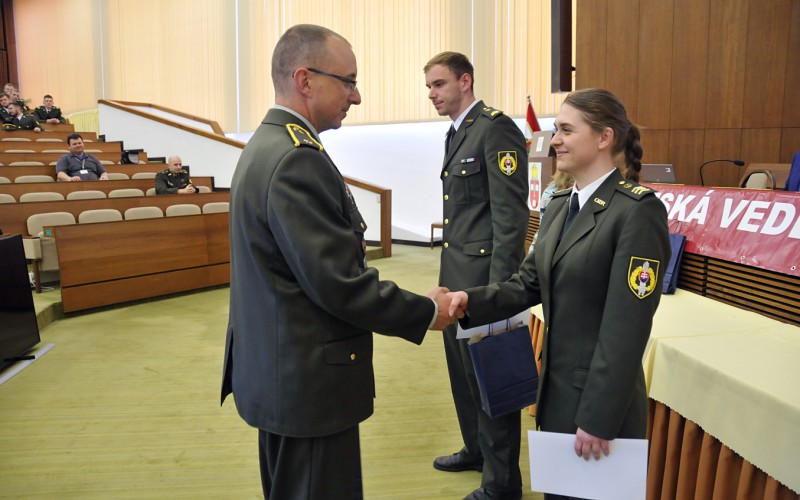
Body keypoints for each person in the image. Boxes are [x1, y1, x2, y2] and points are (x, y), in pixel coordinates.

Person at [220, 24, 457, 500]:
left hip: (283, 370)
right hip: (308, 383)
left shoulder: (269, 145)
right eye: (348, 81)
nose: (358, 96)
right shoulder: (295, 159)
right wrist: (426, 312)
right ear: (305, 80)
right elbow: (338, 284)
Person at [448, 88, 671, 500]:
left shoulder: (636, 212)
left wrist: (600, 417)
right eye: (555, 130)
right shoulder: (560, 206)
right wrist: (468, 301)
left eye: (566, 130)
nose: (554, 140)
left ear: (604, 138)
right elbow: (526, 284)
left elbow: (626, 329)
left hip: (597, 408)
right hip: (555, 395)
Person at [424, 51, 529, 500]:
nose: (432, 94)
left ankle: (501, 484)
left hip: (485, 285)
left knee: (493, 381)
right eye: (428, 86)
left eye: (439, 84)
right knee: (464, 376)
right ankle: (476, 449)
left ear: (465, 81)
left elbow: (510, 217)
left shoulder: (495, 127)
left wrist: (499, 292)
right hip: (456, 279)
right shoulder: (457, 134)